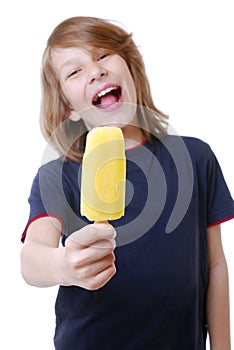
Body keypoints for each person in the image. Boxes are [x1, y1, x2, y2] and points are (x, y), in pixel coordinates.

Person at [20, 16, 234, 350]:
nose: (95, 71)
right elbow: (32, 258)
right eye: (75, 71)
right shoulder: (58, 176)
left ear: (131, 68)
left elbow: (215, 263)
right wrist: (64, 266)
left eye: (103, 55)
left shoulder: (195, 157)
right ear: (68, 109)